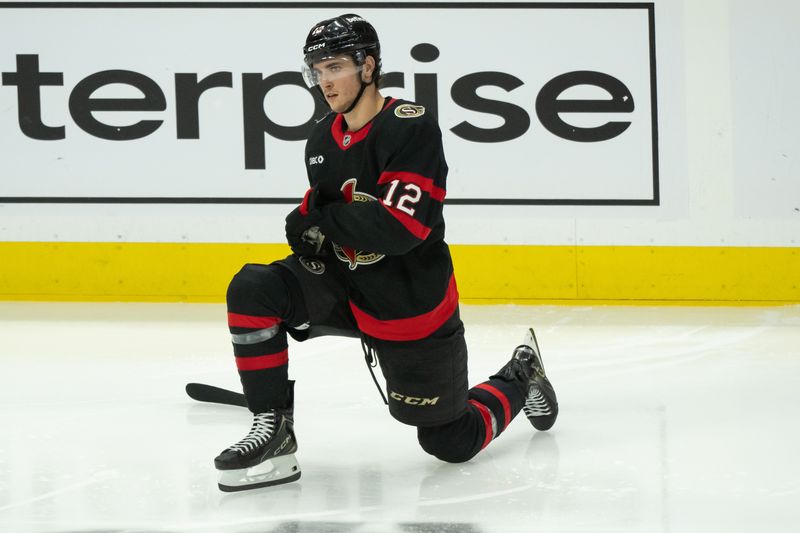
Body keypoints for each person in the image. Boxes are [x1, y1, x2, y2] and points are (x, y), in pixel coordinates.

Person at [213, 13, 559, 492]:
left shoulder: (408, 126)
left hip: (409, 301)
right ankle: (274, 427)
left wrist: (317, 220)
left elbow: (400, 228)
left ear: (368, 66)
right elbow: (328, 205)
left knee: (449, 442)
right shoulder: (320, 138)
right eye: (317, 69)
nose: (324, 81)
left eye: (334, 67)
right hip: (344, 286)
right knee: (254, 287)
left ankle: (522, 373)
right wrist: (304, 219)